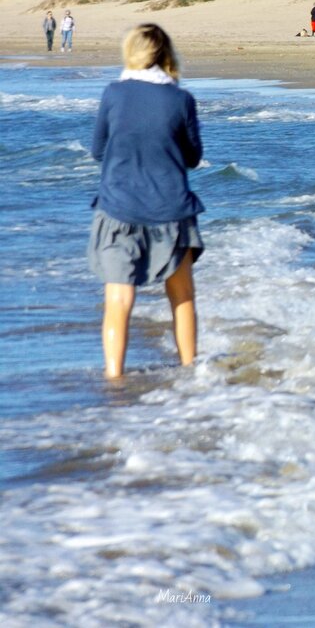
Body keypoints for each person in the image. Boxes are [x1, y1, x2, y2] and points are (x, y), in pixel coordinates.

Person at [88, 24, 204, 379]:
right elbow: (193, 157)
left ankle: (114, 380)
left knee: (119, 302)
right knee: (182, 296)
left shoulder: (114, 94)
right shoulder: (180, 99)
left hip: (119, 208)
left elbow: (97, 150)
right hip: (171, 210)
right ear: (166, 54)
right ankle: (188, 372)